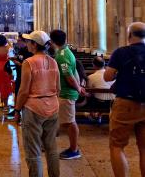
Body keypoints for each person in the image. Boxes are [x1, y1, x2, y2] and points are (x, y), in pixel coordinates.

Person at [15, 30, 60, 177]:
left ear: (34, 44)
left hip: (34, 109)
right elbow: (58, 88)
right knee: (51, 147)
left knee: (33, 150)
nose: (27, 43)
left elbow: (23, 91)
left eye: (29, 41)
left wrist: (17, 110)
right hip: (52, 108)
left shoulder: (29, 62)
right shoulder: (53, 61)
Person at [104, 22, 145, 177]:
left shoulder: (121, 52)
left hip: (126, 103)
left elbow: (107, 77)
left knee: (117, 146)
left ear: (129, 36)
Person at [50, 29, 85, 160]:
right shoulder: (64, 52)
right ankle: (49, 143)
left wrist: (78, 89)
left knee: (70, 122)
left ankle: (74, 149)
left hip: (67, 93)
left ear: (52, 41)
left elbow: (68, 75)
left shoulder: (62, 55)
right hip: (64, 92)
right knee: (62, 120)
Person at [8, 34, 33, 117]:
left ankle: (19, 111)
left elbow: (29, 66)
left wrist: (18, 63)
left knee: (21, 92)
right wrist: (14, 58)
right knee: (17, 92)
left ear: (24, 42)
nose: (17, 42)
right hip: (19, 75)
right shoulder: (23, 49)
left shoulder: (29, 52)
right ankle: (16, 109)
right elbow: (20, 58)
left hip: (24, 76)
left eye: (19, 41)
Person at [86, 56, 115, 121]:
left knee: (90, 95)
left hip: (99, 103)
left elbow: (89, 91)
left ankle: (93, 115)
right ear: (104, 64)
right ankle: (98, 115)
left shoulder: (91, 77)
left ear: (93, 65)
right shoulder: (112, 75)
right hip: (112, 102)